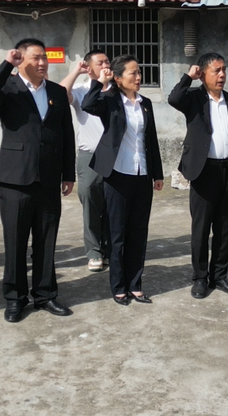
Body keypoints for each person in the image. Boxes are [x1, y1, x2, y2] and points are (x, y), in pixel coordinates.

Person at [0, 38, 75, 323]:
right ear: (21, 60)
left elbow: (66, 133)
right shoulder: (8, 88)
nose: (42, 63)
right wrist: (7, 64)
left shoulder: (56, 91)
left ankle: (45, 295)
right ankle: (15, 299)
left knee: (46, 240)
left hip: (48, 178)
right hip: (16, 178)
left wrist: (68, 173)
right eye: (35, 58)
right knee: (16, 242)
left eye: (44, 57)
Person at [81, 55, 164, 305]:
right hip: (117, 174)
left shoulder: (145, 103)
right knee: (117, 234)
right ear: (118, 78)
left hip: (142, 174)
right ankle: (118, 286)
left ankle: (135, 284)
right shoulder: (109, 100)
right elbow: (87, 104)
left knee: (138, 232)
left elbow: (151, 139)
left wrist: (157, 173)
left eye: (139, 72)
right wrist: (99, 81)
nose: (139, 77)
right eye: (133, 73)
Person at [168, 53, 228, 300]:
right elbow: (173, 98)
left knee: (224, 228)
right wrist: (188, 77)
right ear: (203, 74)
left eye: (224, 70)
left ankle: (220, 276)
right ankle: (200, 278)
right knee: (201, 228)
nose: (222, 75)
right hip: (203, 171)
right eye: (216, 70)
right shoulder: (193, 99)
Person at [59, 50, 111, 272]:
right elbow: (60, 94)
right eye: (100, 62)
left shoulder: (117, 90)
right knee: (89, 200)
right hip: (89, 155)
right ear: (89, 68)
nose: (106, 65)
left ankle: (109, 249)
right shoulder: (81, 91)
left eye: (108, 61)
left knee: (112, 203)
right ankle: (94, 251)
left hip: (115, 156)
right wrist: (76, 71)